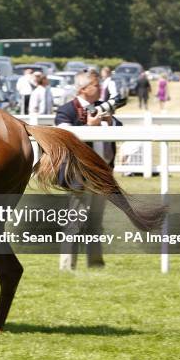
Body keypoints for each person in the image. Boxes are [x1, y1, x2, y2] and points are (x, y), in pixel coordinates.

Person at [55, 69, 122, 271]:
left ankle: (96, 264)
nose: (100, 87)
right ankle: (67, 266)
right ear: (83, 89)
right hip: (79, 176)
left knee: (96, 222)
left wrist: (110, 122)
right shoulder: (66, 111)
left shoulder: (102, 107)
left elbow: (121, 128)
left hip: (102, 175)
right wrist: (88, 127)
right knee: (75, 222)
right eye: (96, 84)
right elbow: (65, 139)